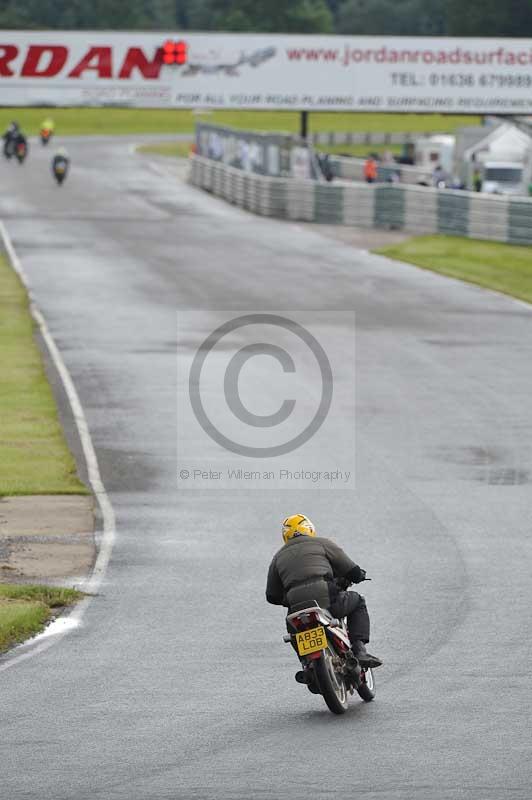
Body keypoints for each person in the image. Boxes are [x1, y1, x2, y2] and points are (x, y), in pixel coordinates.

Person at [266, 514, 383, 681]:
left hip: (296, 610)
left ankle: (307, 666)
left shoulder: (277, 557)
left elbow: (271, 595)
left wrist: (289, 598)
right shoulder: (323, 543)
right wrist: (359, 575)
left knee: (294, 632)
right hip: (327, 602)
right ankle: (359, 650)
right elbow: (352, 570)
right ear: (310, 529)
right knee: (358, 601)